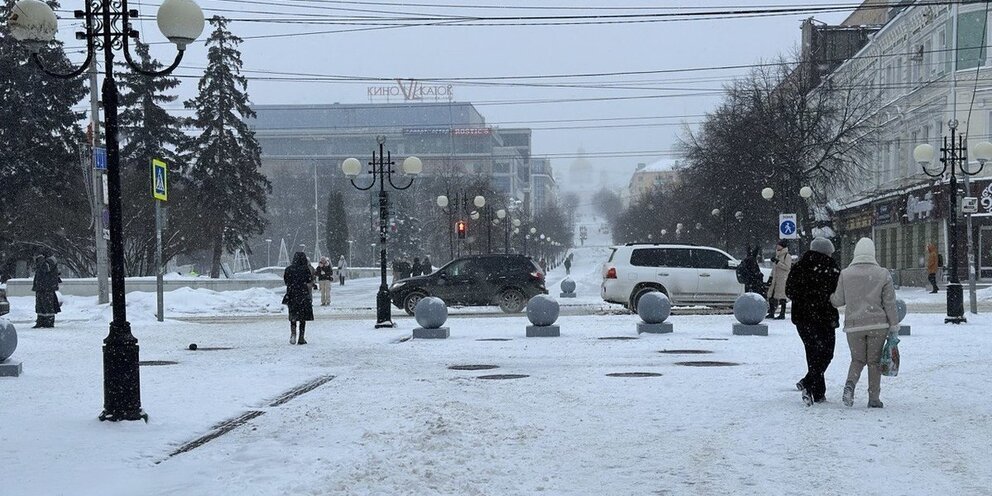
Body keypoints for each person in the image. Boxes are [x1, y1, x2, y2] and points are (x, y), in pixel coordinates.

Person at [830, 238, 899, 408]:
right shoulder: (883, 274)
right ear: (872, 253)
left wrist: (830, 297)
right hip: (878, 325)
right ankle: (873, 398)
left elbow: (838, 301)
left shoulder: (845, 274)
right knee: (874, 363)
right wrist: (894, 325)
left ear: (856, 253)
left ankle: (850, 385)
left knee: (857, 359)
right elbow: (889, 303)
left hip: (854, 326)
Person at [785, 237, 841, 406]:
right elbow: (837, 294)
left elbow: (789, 291)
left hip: (802, 318)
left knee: (813, 353)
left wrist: (804, 299)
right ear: (826, 251)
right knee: (826, 353)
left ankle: (816, 390)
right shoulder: (831, 268)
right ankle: (811, 385)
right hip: (825, 317)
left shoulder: (799, 267)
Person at [284, 252, 314, 345]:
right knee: (302, 317)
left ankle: (293, 334)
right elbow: (309, 280)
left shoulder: (289, 269)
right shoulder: (305, 269)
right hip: (303, 294)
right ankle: (301, 337)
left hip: (292, 294)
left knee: (293, 315)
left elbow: (286, 281)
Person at [31, 254, 61, 328]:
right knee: (40, 305)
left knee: (47, 305)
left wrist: (40, 260)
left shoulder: (50, 261)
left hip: (47, 288)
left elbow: (45, 269)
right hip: (41, 288)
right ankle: (40, 321)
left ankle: (49, 321)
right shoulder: (43, 262)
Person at [766, 240, 792, 319]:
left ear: (782, 246)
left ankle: (782, 313)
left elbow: (787, 267)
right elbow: (774, 268)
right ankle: (771, 312)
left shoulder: (787, 256)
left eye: (779, 245)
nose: (777, 246)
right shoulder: (777, 255)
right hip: (775, 279)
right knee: (771, 295)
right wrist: (770, 277)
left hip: (782, 279)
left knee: (782, 297)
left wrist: (778, 262)